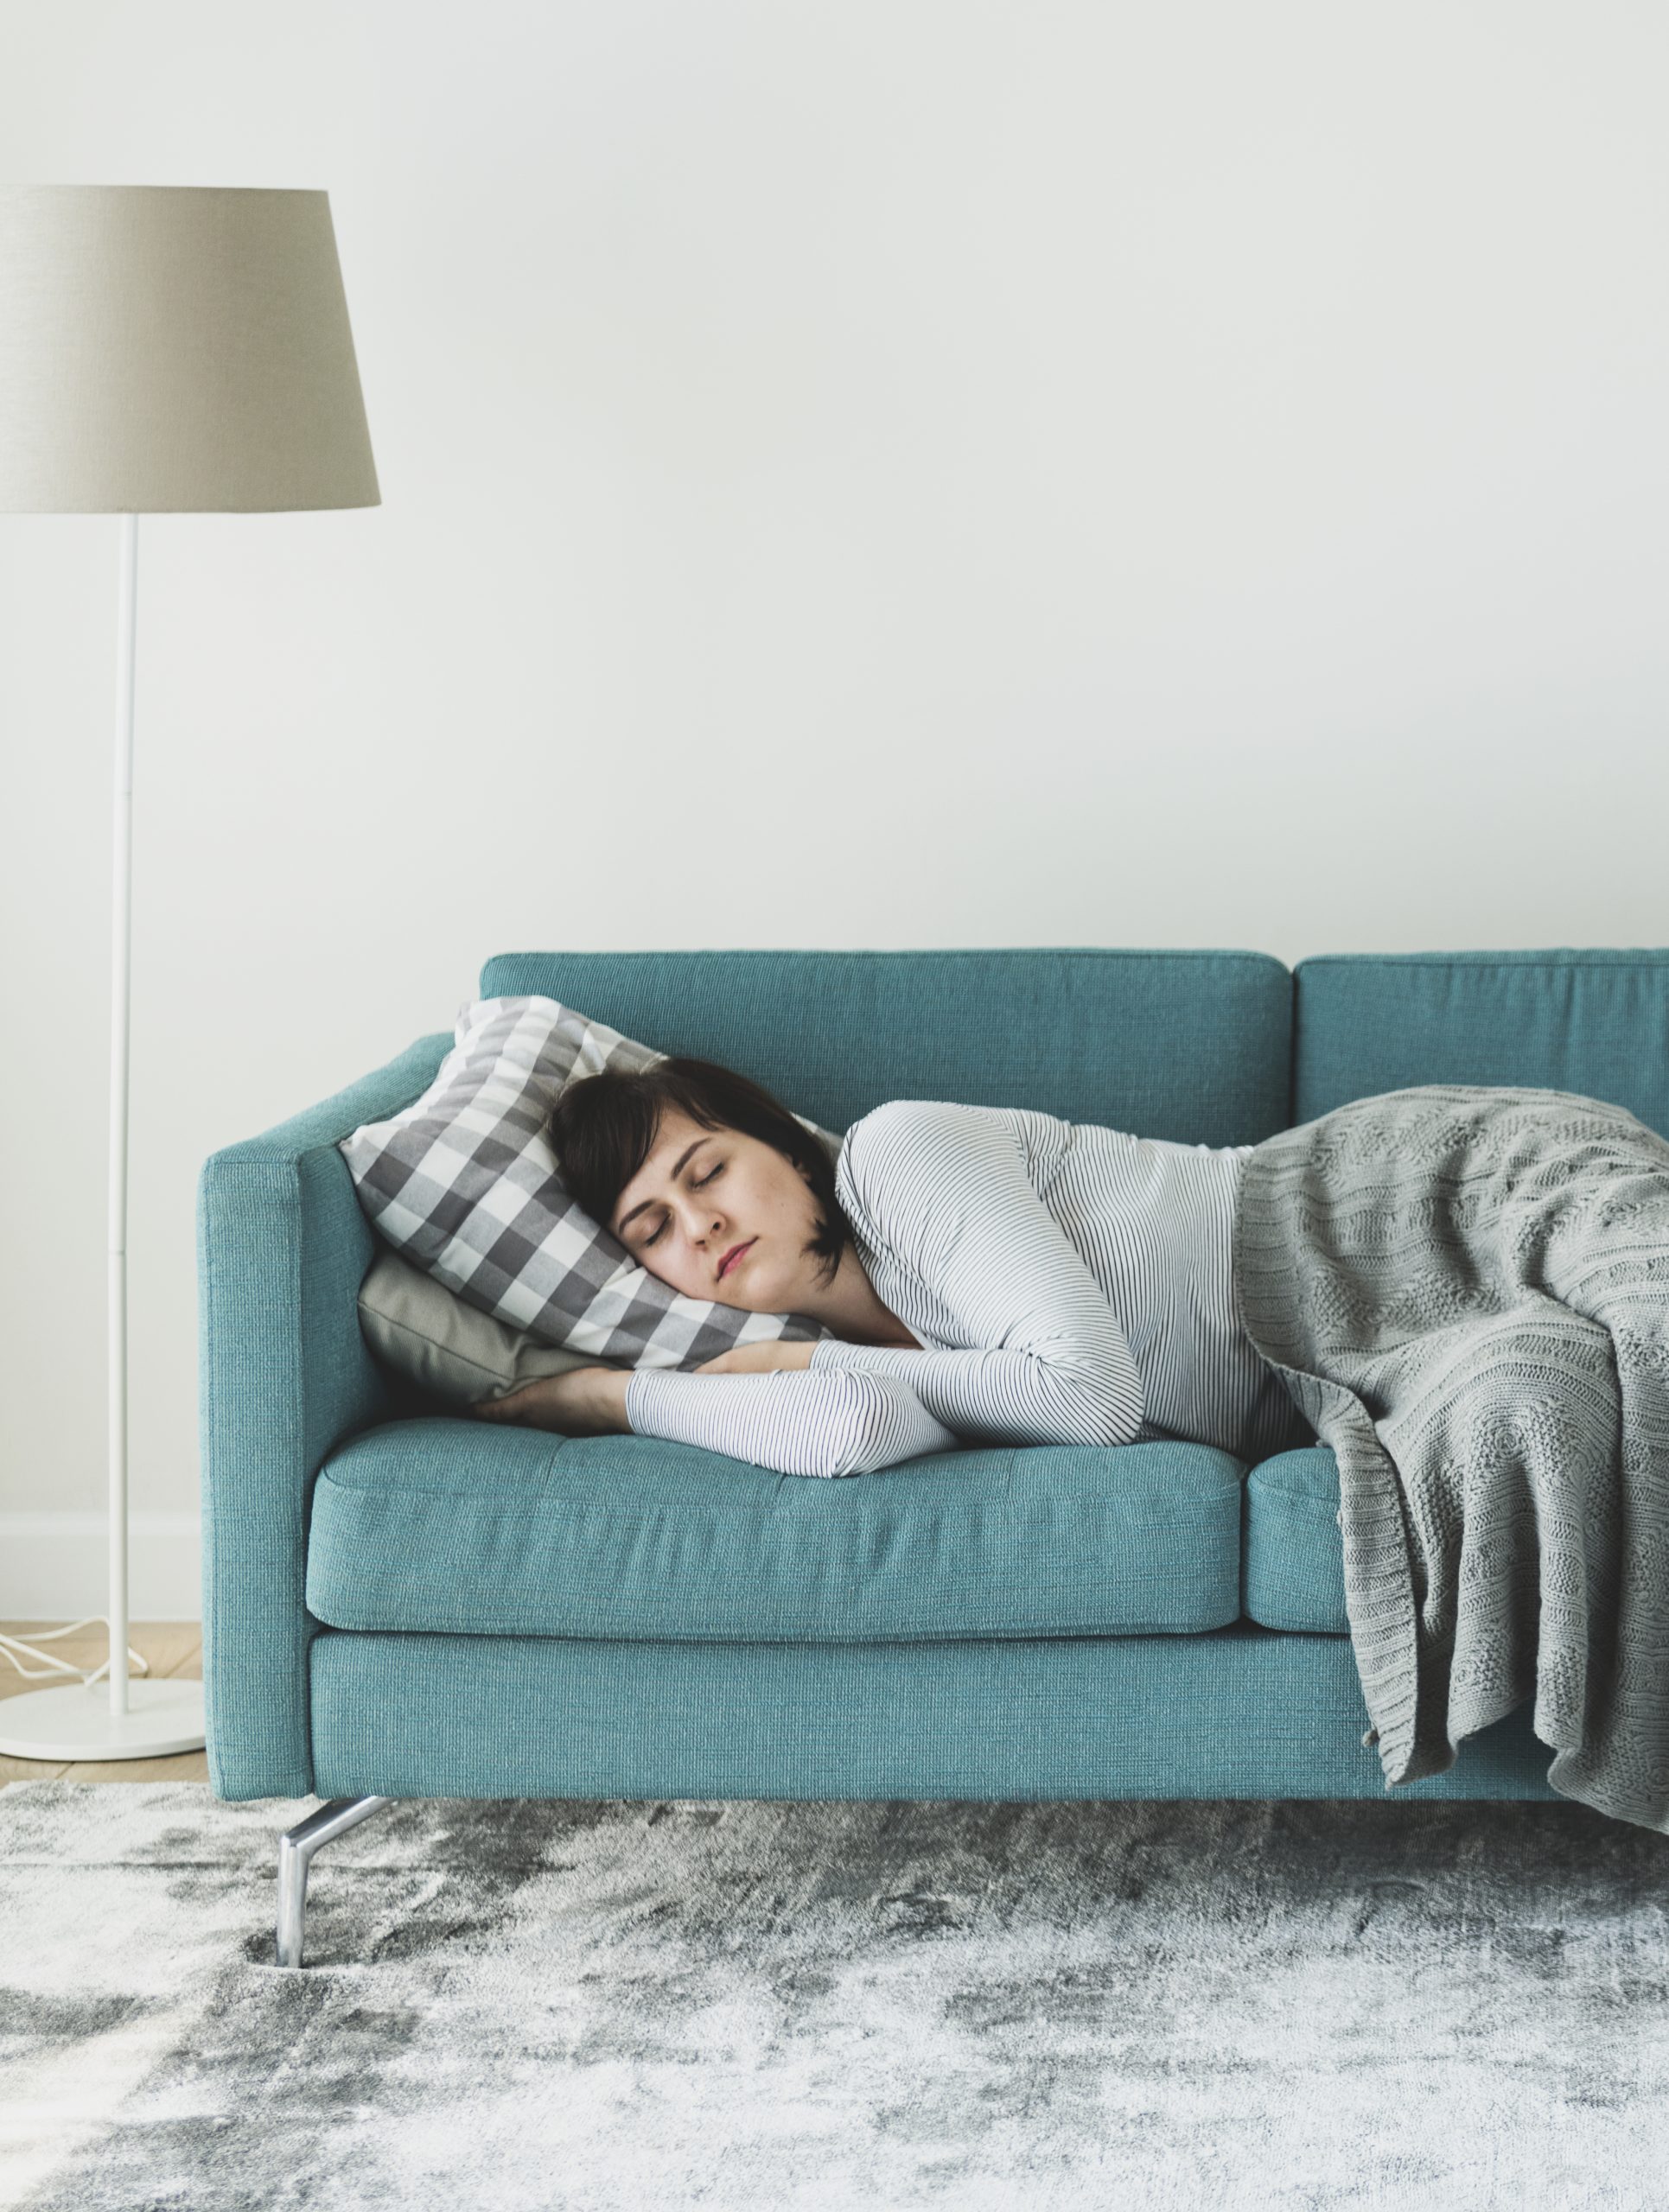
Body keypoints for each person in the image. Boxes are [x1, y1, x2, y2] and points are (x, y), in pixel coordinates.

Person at [470, 1055, 1309, 1478]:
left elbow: (1091, 1398)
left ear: (787, 1152)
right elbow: (856, 1427)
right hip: (1309, 1380)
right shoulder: (845, 1347)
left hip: (1335, 1228)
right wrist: (613, 1398)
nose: (699, 1225)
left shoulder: (892, 1157)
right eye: (652, 1229)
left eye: (706, 1171)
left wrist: (788, 1361)